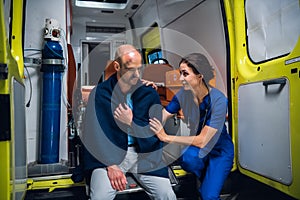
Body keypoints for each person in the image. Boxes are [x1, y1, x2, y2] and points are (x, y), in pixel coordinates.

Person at [80, 44, 176, 200]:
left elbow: (154, 132)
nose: (137, 75)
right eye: (131, 69)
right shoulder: (100, 94)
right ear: (117, 66)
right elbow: (93, 135)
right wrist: (111, 165)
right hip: (109, 155)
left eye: (139, 69)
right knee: (100, 197)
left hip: (144, 155)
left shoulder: (149, 93)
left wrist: (131, 122)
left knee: (167, 195)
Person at [149, 53, 234, 200]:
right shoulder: (183, 95)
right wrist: (144, 87)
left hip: (219, 151)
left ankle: (209, 186)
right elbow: (162, 116)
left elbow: (202, 141)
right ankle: (209, 182)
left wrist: (165, 137)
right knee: (187, 158)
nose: (181, 78)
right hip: (199, 151)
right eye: (180, 73)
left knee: (208, 196)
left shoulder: (219, 101)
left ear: (199, 76)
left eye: (185, 74)